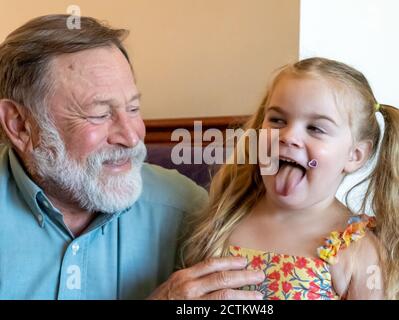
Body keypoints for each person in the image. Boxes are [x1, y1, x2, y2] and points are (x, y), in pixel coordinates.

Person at [0, 14, 264, 300]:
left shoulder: (187, 211)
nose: (132, 135)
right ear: (20, 125)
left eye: (134, 108)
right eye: (99, 114)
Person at [181, 57, 399, 299]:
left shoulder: (357, 250)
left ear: (354, 155)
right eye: (277, 120)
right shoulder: (226, 218)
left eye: (315, 128)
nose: (288, 136)